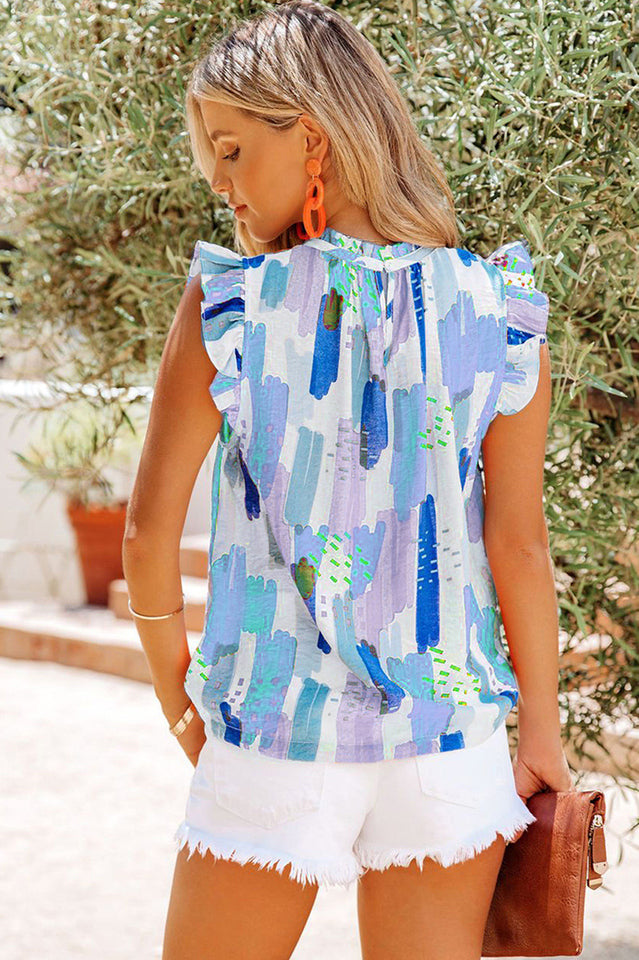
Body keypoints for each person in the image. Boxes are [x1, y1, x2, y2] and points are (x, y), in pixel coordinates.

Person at [122, 2, 574, 958]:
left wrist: (179, 699)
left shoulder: (232, 306)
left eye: (232, 152)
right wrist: (540, 729)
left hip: (276, 731)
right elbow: (518, 544)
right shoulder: (500, 308)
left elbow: (146, 535)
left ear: (313, 138)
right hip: (448, 743)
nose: (222, 186)